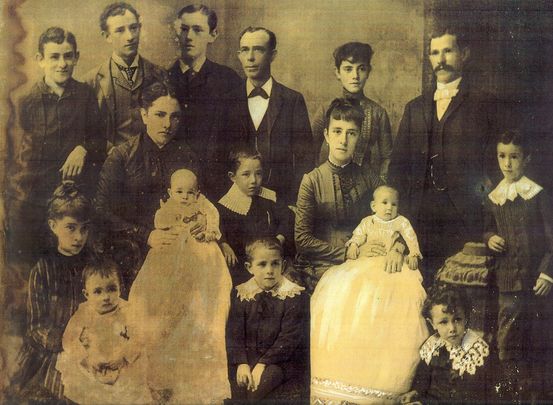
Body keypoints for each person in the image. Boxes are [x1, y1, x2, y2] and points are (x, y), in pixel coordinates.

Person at [388, 24, 499, 282]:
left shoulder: (484, 104)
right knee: (421, 287)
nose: (441, 59)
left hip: (465, 215)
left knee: (460, 289)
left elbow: (494, 166)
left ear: (464, 54)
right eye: (435, 53)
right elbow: (397, 169)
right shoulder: (414, 108)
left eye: (447, 51)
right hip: (420, 215)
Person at [310, 185, 427, 404]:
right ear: (373, 206)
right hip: (364, 263)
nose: (389, 208)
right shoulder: (367, 222)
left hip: (392, 266)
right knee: (346, 289)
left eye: (393, 204)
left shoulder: (401, 222)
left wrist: (412, 254)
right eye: (384, 203)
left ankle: (385, 382)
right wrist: (353, 246)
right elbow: (357, 237)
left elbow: (411, 239)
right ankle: (345, 375)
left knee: (394, 297)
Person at [128, 168, 232, 404]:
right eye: (179, 192)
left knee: (206, 297)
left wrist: (206, 227)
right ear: (170, 191)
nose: (184, 197)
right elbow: (160, 221)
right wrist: (171, 217)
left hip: (200, 255)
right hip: (171, 254)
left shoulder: (204, 207)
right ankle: (159, 374)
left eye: (190, 192)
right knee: (158, 299)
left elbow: (214, 222)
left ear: (198, 193)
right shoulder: (168, 206)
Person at [7, 27, 104, 266]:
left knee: (75, 265)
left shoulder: (86, 95)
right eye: (54, 56)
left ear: (76, 57)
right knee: (33, 264)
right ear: (40, 60)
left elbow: (100, 141)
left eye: (68, 56)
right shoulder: (26, 102)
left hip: (74, 200)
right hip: (36, 198)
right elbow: (12, 156)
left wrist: (83, 149)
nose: (62, 64)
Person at [95, 81, 198, 293]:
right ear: (144, 115)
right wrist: (146, 235)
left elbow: (199, 201)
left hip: (180, 245)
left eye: (175, 116)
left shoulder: (187, 156)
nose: (168, 124)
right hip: (133, 246)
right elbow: (101, 211)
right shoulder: (122, 156)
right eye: (160, 114)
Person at [294, 98, 404, 293]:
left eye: (351, 133)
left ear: (358, 138)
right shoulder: (312, 180)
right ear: (326, 135)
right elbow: (302, 239)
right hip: (324, 264)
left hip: (366, 259)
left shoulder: (369, 177)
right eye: (337, 131)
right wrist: (349, 252)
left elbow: (396, 218)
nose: (343, 140)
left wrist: (397, 247)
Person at [484, 130, 553, 401]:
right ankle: (510, 396)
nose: (507, 163)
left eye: (514, 157)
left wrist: (547, 274)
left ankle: (536, 397)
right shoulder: (494, 197)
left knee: (536, 344)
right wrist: (490, 238)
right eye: (502, 156)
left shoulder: (537, 195)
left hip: (536, 285)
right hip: (507, 284)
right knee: (507, 343)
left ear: (526, 159)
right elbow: (487, 229)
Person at [8, 182, 92, 402]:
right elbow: (36, 327)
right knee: (59, 392)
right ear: (53, 225)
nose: (78, 237)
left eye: (84, 229)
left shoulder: (94, 266)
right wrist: (66, 341)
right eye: (71, 228)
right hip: (52, 350)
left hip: (90, 345)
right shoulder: (43, 270)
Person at [222, 26, 314, 204]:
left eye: (258, 49)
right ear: (239, 55)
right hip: (234, 202)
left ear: (273, 55)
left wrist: (293, 203)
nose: (250, 57)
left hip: (281, 201)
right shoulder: (226, 100)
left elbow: (305, 160)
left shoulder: (292, 100)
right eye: (245, 50)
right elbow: (217, 156)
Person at [57, 259, 151, 404]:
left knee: (128, 389)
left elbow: (139, 336)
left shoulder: (128, 310)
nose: (106, 297)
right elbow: (69, 339)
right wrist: (86, 359)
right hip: (92, 362)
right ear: (86, 294)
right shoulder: (84, 312)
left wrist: (124, 357)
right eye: (98, 291)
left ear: (120, 288)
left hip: (122, 362)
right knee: (88, 389)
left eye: (111, 289)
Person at [226, 237, 308, 402]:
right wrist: (242, 363)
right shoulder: (241, 294)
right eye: (262, 264)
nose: (269, 270)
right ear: (249, 268)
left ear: (283, 266)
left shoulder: (293, 295)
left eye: (275, 264)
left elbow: (289, 338)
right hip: (248, 358)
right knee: (233, 389)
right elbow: (234, 333)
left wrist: (262, 364)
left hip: (279, 360)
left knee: (257, 391)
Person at [83, 2, 167, 151]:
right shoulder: (91, 81)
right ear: (107, 36)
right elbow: (88, 133)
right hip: (109, 163)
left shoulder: (159, 74)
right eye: (120, 30)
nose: (130, 37)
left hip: (152, 161)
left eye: (134, 28)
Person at [167, 4, 241, 162]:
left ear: (213, 35)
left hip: (216, 177)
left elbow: (238, 140)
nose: (189, 37)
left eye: (198, 30)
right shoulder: (162, 79)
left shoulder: (229, 80)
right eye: (184, 29)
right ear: (176, 33)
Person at [312, 42, 392, 181]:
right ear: (337, 72)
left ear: (368, 72)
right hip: (330, 182)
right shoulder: (325, 110)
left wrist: (380, 184)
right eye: (348, 69)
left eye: (361, 69)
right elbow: (309, 150)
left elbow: (387, 157)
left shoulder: (378, 113)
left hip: (365, 186)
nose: (355, 75)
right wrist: (316, 181)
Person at [400, 285, 493, 404]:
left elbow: (472, 396)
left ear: (466, 318)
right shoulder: (433, 345)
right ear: (432, 324)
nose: (452, 328)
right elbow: (423, 378)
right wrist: (416, 392)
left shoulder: (477, 352)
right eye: (444, 322)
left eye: (457, 319)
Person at [218, 145, 293, 285]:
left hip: (269, 264)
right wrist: (223, 243)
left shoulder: (269, 198)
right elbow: (216, 229)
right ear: (232, 177)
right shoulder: (225, 206)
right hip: (241, 268)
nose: (253, 180)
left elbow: (287, 218)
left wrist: (279, 239)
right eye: (246, 174)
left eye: (258, 174)